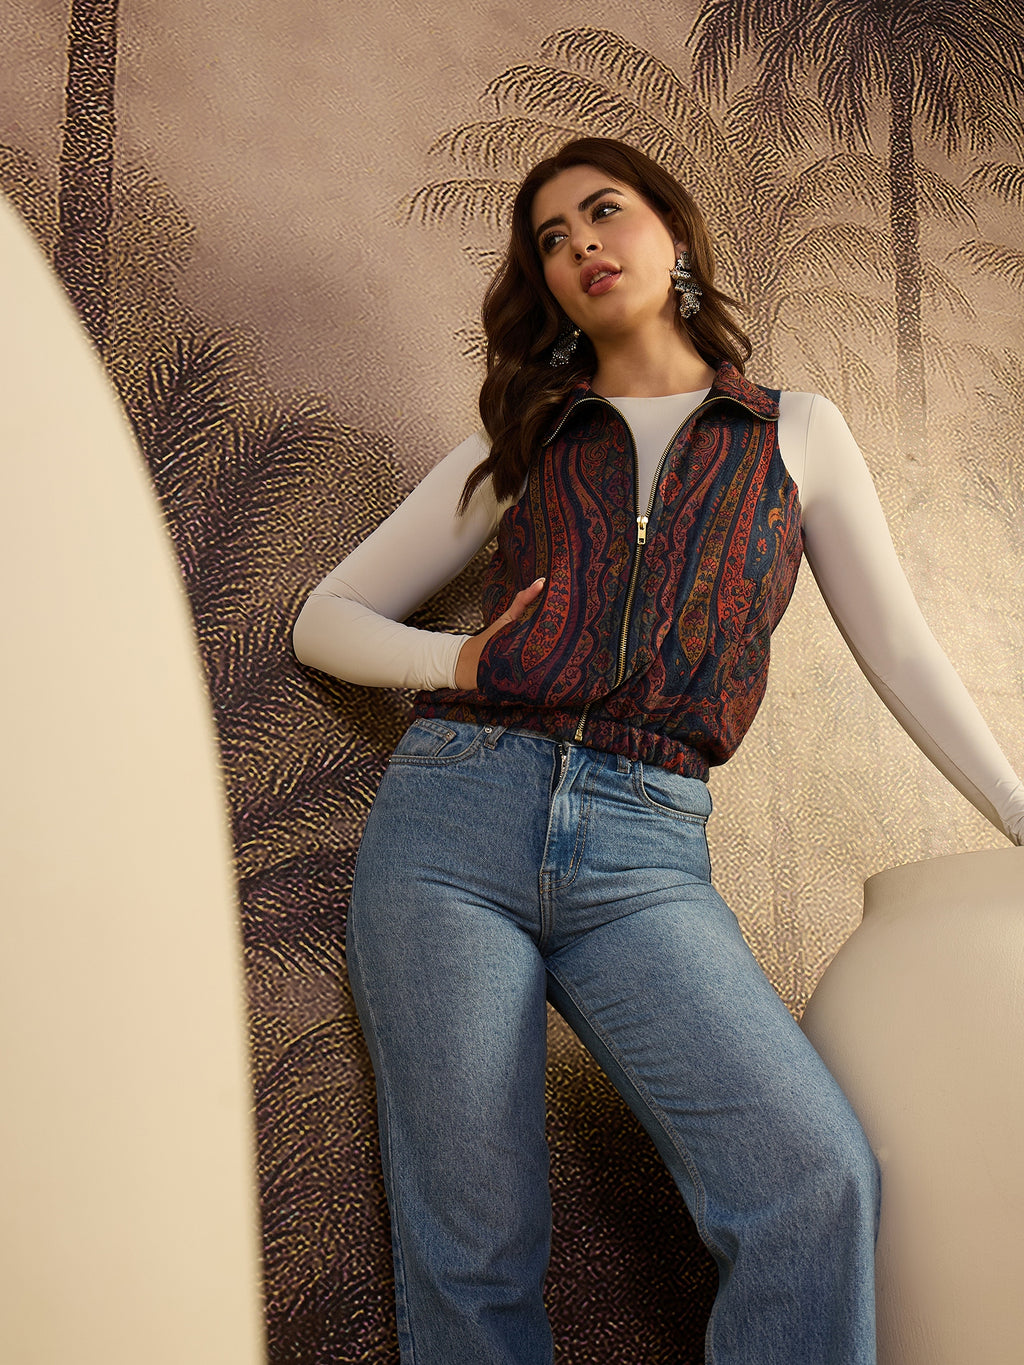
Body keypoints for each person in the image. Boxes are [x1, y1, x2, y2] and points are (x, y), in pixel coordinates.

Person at [293, 138, 1024, 1365]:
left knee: (812, 1179)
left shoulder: (796, 434)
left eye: (603, 213)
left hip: (644, 852)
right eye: (550, 237)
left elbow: (900, 653)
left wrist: (1016, 809)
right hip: (451, 832)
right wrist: (456, 663)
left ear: (673, 237)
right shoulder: (521, 441)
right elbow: (327, 620)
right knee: (470, 1246)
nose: (580, 244)